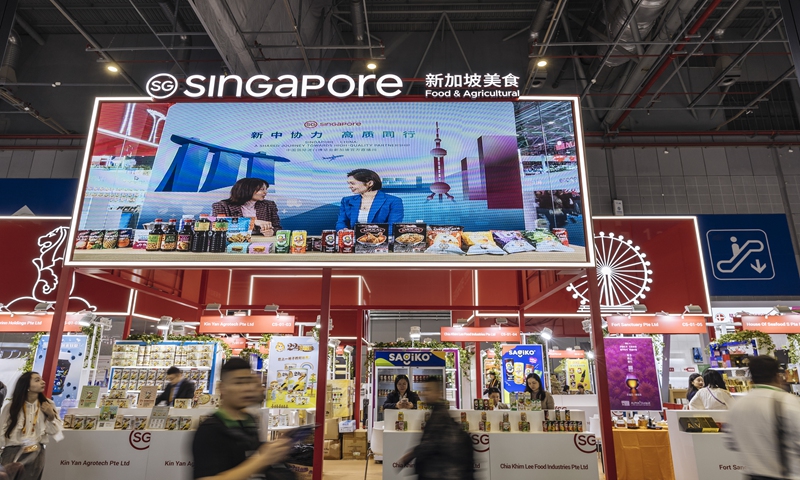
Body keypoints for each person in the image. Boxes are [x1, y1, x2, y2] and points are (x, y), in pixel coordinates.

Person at [192, 358, 292, 480]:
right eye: (238, 383)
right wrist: (263, 460)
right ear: (222, 388)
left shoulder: (249, 420)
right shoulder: (210, 429)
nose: (246, 388)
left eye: (248, 382)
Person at [727, 355, 800, 479]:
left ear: (752, 379)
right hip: (786, 475)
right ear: (778, 376)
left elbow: (731, 442)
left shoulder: (737, 405)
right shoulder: (786, 401)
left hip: (752, 475)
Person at [397, 376, 474, 480]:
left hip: (439, 473)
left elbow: (429, 445)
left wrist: (408, 457)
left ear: (438, 392)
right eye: (424, 390)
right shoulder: (438, 412)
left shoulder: (440, 415)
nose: (424, 394)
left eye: (428, 390)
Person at [0, 372, 62, 480]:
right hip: (12, 452)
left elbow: (56, 432)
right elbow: (1, 431)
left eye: (41, 379)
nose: (43, 382)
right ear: (26, 386)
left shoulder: (48, 404)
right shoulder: (11, 407)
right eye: (37, 380)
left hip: (36, 453)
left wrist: (51, 416)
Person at [335, 169, 404, 230]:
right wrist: (344, 231)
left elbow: (392, 227)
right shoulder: (346, 201)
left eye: (352, 183)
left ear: (370, 183)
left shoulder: (393, 201)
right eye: (349, 183)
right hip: (353, 241)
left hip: (380, 240)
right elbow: (341, 222)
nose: (349, 186)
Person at [212, 178, 281, 236]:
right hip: (232, 242)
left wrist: (272, 232)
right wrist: (252, 222)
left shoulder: (269, 205)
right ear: (247, 190)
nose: (265, 192)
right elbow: (217, 226)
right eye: (262, 189)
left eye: (266, 189)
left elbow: (277, 227)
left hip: (260, 242)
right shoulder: (222, 206)